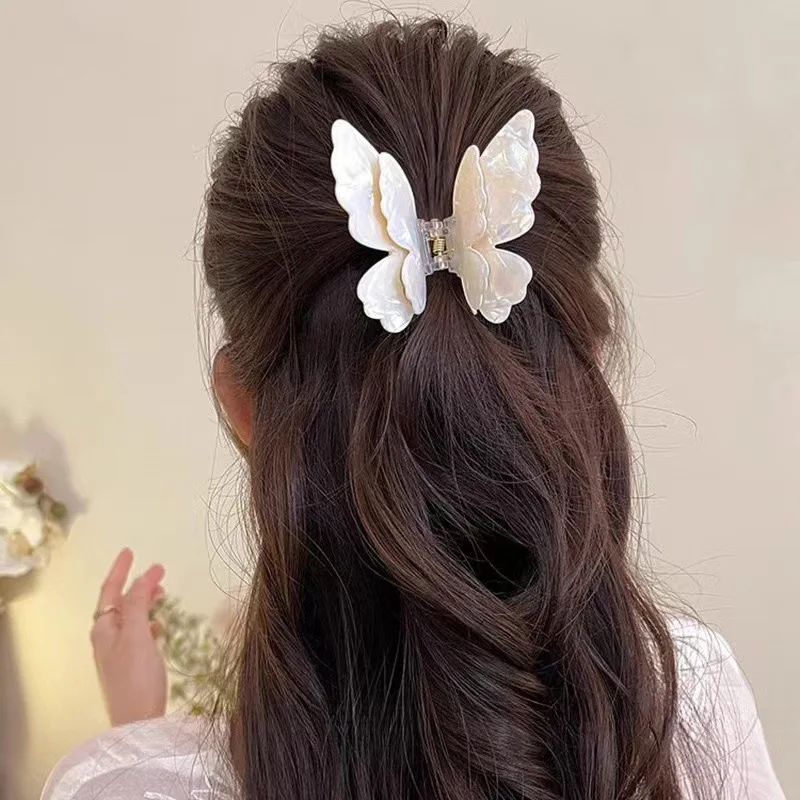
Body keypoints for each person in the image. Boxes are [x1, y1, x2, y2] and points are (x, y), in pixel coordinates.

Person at [42, 17, 784, 800]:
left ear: (239, 404)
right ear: (589, 366)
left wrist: (134, 741)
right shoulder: (698, 706)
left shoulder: (117, 786)